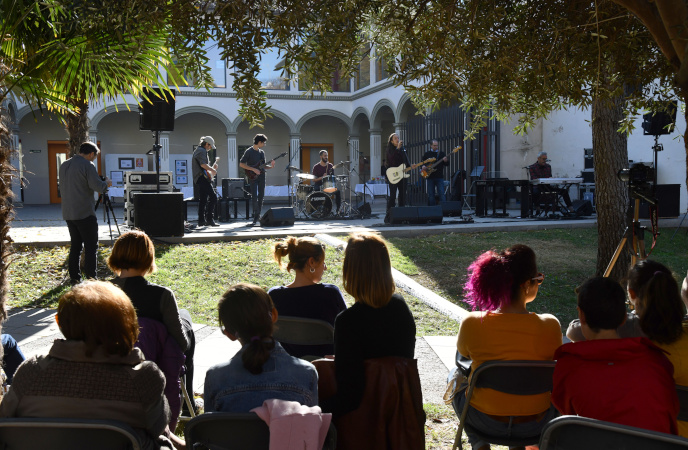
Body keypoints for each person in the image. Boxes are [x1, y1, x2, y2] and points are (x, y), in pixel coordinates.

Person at [0, 281, 174, 450]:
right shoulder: (143, 379)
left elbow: (6, 420)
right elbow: (158, 426)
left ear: (59, 322)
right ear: (126, 323)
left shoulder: (32, 371)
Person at [453, 244, 561, 450]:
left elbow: (463, 357)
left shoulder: (472, 323)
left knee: (454, 375)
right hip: (534, 425)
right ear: (526, 284)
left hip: (484, 421)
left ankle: (478, 443)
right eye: (538, 279)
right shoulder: (551, 325)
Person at [568, 260, 688, 436]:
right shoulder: (681, 331)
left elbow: (577, 332)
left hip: (648, 436)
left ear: (631, 293)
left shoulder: (631, 330)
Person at [107, 230, 198, 415]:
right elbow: (181, 343)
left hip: (108, 360)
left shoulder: (100, 292)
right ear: (148, 258)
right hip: (153, 366)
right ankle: (188, 400)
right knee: (185, 322)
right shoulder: (161, 295)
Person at [324, 232, 416, 416]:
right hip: (398, 413)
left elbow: (350, 397)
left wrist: (312, 407)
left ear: (350, 271)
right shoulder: (401, 309)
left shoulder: (348, 322)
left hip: (364, 421)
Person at [204, 283, 318, 413]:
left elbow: (210, 430)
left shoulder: (215, 377)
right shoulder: (306, 373)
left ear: (229, 334)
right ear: (274, 315)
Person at [268, 236, 347, 358]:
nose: (325, 267)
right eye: (323, 262)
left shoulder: (274, 296)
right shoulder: (331, 294)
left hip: (288, 369)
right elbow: (347, 333)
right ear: (311, 262)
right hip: (326, 370)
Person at [59, 141, 111, 284]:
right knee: (91, 247)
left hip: (69, 213)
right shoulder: (88, 165)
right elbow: (98, 187)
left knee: (75, 246)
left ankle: (75, 278)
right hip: (84, 213)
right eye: (94, 157)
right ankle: (91, 279)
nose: (93, 159)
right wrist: (107, 183)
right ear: (91, 154)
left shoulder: (64, 164)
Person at [240, 134, 275, 226]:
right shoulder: (249, 151)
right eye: (263, 143)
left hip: (262, 176)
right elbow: (242, 164)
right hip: (252, 177)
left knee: (261, 196)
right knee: (254, 196)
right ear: (259, 142)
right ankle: (255, 216)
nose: (264, 144)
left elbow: (263, 166)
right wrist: (253, 169)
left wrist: (271, 166)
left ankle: (258, 215)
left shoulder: (261, 152)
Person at [191, 136, 219, 227]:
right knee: (213, 197)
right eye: (210, 146)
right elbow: (203, 165)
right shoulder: (202, 151)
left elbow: (203, 166)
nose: (210, 148)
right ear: (206, 144)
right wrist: (213, 170)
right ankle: (209, 219)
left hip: (199, 178)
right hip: (201, 178)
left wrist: (211, 169)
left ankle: (201, 220)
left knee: (203, 199)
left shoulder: (199, 150)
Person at [385, 133, 410, 223]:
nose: (397, 140)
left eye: (398, 138)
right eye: (395, 138)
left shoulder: (403, 149)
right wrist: (397, 149)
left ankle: (401, 216)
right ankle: (389, 216)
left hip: (402, 175)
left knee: (403, 195)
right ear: (391, 141)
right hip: (393, 176)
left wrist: (410, 166)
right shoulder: (390, 150)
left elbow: (405, 161)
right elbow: (391, 160)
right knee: (392, 196)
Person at [421, 140, 448, 206]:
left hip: (439, 177)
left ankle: (444, 209)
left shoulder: (441, 154)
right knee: (431, 194)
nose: (436, 147)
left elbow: (447, 164)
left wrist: (446, 161)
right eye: (434, 145)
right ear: (431, 145)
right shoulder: (427, 154)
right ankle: (432, 210)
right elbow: (422, 163)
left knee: (441, 193)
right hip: (430, 177)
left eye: (437, 145)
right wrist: (423, 166)